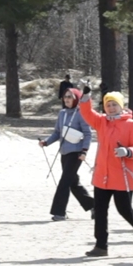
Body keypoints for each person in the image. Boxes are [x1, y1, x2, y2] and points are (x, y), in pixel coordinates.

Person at [78, 88, 133, 257]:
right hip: (102, 175)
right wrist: (85, 97)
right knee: (99, 210)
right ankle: (101, 246)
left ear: (121, 106)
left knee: (124, 210)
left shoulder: (131, 124)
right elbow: (87, 113)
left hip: (123, 174)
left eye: (114, 105)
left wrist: (127, 151)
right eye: (108, 105)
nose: (111, 108)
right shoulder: (101, 121)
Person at [40, 87, 94, 221]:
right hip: (64, 152)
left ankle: (59, 212)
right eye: (65, 97)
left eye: (70, 97)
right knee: (72, 182)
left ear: (76, 99)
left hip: (76, 154)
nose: (67, 99)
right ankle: (95, 206)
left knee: (64, 182)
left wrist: (84, 151)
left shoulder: (81, 113)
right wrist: (46, 142)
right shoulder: (62, 113)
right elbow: (57, 133)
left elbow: (88, 134)